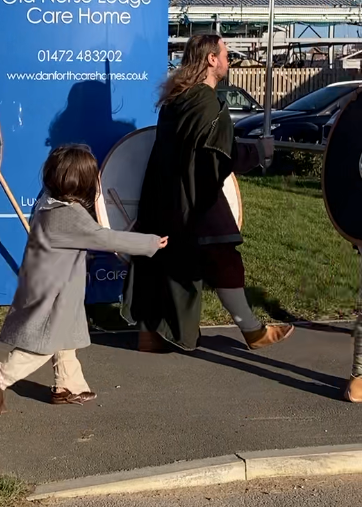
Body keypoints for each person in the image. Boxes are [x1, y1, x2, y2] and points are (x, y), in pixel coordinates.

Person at [122, 33, 294, 352]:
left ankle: (150, 334)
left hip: (167, 196)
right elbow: (218, 155)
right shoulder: (206, 101)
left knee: (168, 263)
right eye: (225, 54)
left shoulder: (176, 99)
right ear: (211, 59)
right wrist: (259, 152)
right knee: (224, 259)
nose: (228, 60)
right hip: (199, 197)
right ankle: (252, 331)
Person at [0, 145, 166, 415]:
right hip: (55, 291)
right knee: (45, 343)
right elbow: (106, 238)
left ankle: (68, 386)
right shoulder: (68, 214)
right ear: (84, 182)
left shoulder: (48, 201)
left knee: (64, 335)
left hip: (56, 285)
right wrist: (151, 243)